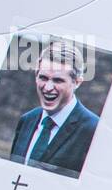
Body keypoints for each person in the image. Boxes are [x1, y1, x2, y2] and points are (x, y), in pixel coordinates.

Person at [9, 40, 100, 178]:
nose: (48, 88)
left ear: (77, 82)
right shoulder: (27, 120)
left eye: (58, 80)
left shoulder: (94, 130)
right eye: (43, 78)